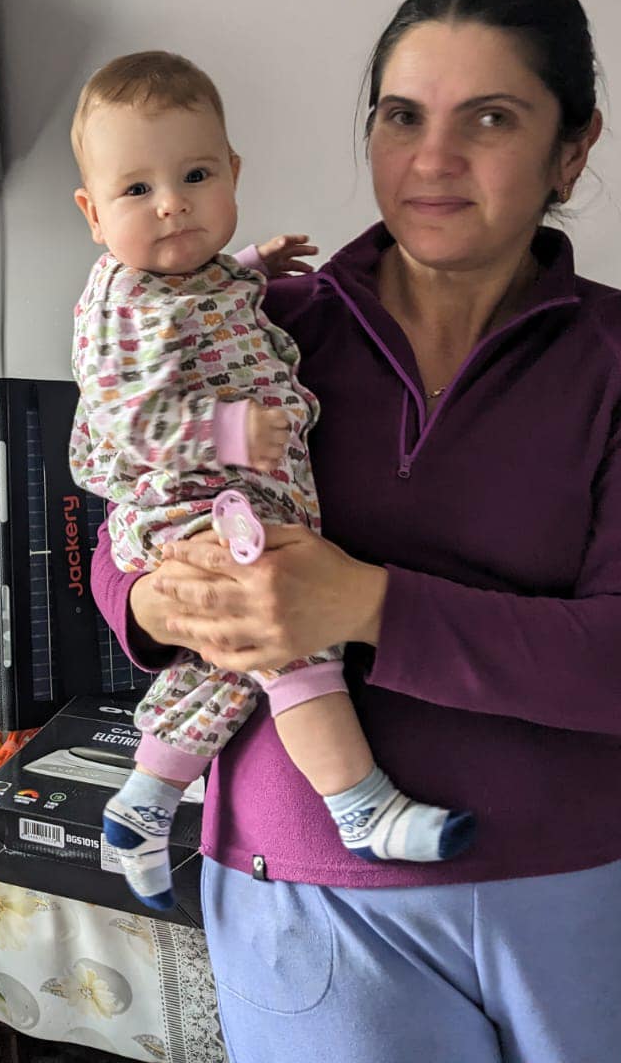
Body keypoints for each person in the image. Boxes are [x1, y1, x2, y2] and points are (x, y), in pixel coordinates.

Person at [91, 0, 621, 1062]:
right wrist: (152, 603)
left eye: (489, 118)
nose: (432, 160)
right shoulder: (268, 325)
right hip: (309, 899)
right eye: (399, 117)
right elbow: (127, 520)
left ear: (569, 151)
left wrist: (363, 604)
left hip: (586, 885)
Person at [67, 51, 476, 911]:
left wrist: (253, 261)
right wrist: (230, 429)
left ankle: (142, 806)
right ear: (93, 213)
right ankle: (359, 804)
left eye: (196, 175)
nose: (172, 202)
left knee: (226, 660)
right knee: (289, 627)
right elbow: (123, 423)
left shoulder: (188, 273)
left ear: (232, 174)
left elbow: (203, 307)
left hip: (238, 497)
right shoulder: (121, 305)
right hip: (186, 504)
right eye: (136, 191)